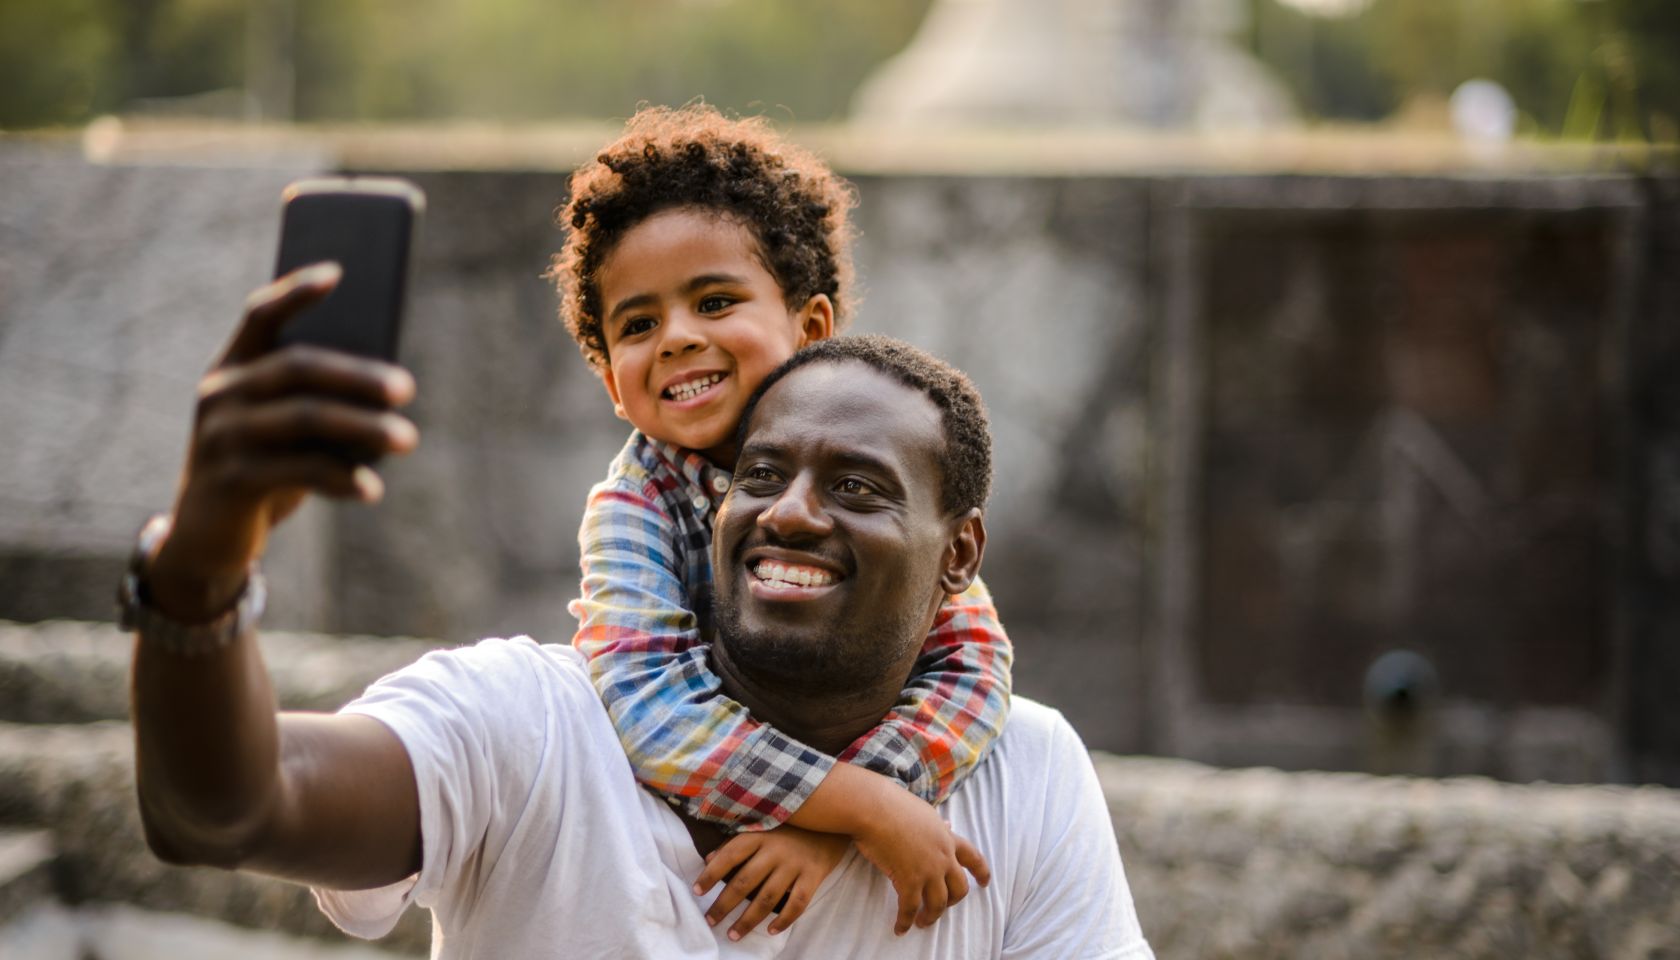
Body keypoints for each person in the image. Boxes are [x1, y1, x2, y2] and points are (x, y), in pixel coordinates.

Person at [126, 319, 1153, 956]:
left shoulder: (1022, 773)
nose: (791, 513)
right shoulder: (528, 725)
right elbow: (222, 812)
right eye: (759, 474)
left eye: (857, 488)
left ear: (959, 554)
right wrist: (198, 568)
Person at [552, 105, 1014, 937]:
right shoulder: (634, 508)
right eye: (639, 324)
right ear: (613, 383)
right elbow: (652, 706)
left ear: (809, 328)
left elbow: (972, 667)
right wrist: (857, 808)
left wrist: (838, 821)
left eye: (715, 300)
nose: (678, 338)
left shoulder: (890, 480)